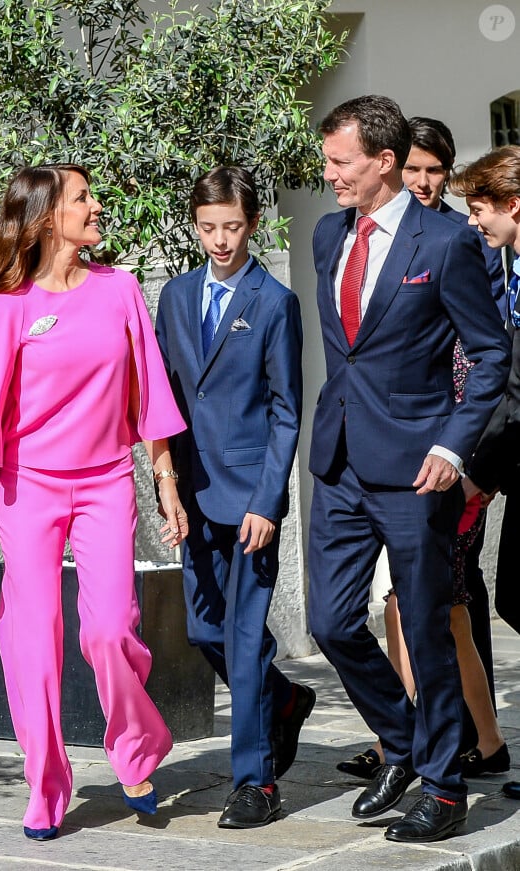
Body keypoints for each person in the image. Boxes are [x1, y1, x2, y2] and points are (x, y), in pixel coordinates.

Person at [0, 164, 188, 841]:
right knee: (35, 641)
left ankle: (136, 748)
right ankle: (46, 780)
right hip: (30, 490)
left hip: (106, 481)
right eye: (83, 197)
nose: (97, 205)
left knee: (109, 628)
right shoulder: (11, 305)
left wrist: (164, 480)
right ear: (48, 217)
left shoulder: (119, 290)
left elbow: (149, 395)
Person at [308, 95, 510, 843]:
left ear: (383, 162)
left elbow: (490, 353)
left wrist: (451, 446)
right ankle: (404, 741)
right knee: (330, 619)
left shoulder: (447, 241)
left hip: (417, 466)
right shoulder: (330, 234)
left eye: (340, 161)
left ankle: (446, 789)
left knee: (424, 626)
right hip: (338, 461)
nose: (328, 173)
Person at [155, 166, 311, 830]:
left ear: (252, 225)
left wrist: (267, 499)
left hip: (250, 500)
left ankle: (257, 782)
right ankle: (281, 699)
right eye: (209, 226)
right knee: (204, 630)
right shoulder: (175, 295)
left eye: (234, 227)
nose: (221, 240)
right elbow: (163, 404)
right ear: (196, 223)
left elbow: (286, 411)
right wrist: (168, 490)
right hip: (194, 495)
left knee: (245, 639)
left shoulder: (274, 302)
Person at [450, 144, 520, 800]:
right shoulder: (511, 263)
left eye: (480, 209)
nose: (473, 221)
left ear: (512, 205)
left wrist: (478, 473)